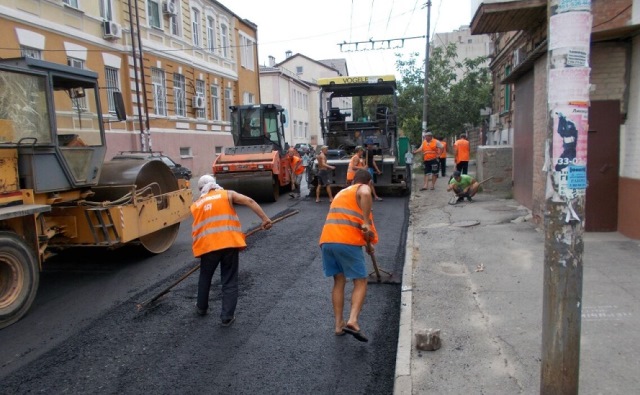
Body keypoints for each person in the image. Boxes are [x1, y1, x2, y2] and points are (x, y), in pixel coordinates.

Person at [191, 175, 272, 326]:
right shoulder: (227, 194)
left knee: (205, 277)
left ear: (201, 189)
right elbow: (249, 201)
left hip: (208, 247)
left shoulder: (196, 204)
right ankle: (227, 317)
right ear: (215, 184)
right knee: (229, 279)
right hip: (229, 244)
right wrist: (265, 219)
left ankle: (201, 308)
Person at [319, 169, 378, 342]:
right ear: (368, 182)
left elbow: (353, 224)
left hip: (327, 241)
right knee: (360, 281)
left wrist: (368, 245)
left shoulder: (341, 194)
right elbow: (366, 193)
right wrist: (366, 222)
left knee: (339, 280)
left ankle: (338, 325)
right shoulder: (362, 189)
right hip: (346, 242)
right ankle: (352, 321)